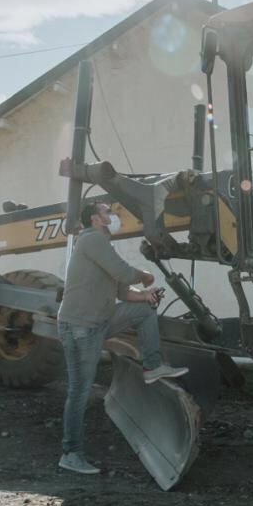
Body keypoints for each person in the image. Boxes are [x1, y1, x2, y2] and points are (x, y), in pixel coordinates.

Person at [56, 201, 188, 475]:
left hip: (99, 320)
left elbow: (123, 291)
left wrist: (146, 295)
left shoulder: (102, 246)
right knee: (79, 391)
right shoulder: (91, 240)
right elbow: (125, 273)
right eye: (107, 212)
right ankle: (71, 453)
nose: (113, 216)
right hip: (80, 327)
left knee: (143, 310)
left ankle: (152, 367)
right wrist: (147, 276)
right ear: (95, 219)